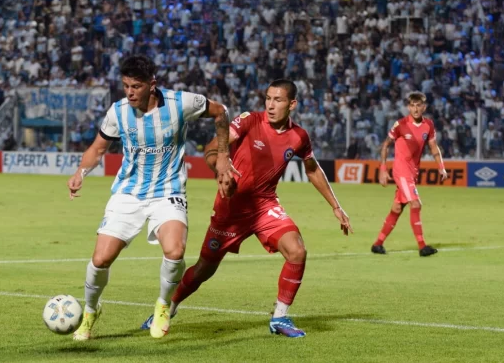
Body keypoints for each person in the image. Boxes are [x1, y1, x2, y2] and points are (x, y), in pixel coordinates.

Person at [139, 79, 353, 338]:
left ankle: (279, 317)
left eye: (278, 100)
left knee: (297, 251)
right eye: (268, 98)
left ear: (292, 104)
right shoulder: (249, 120)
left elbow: (312, 169)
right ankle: (167, 308)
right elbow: (213, 149)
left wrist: (336, 206)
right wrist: (220, 168)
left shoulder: (299, 137)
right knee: (205, 268)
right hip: (231, 209)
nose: (270, 105)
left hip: (264, 207)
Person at [66, 55, 236, 341]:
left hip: (168, 191)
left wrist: (223, 155)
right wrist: (80, 172)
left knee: (175, 252)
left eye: (136, 86)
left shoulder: (181, 103)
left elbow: (221, 112)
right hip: (128, 193)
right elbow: (98, 148)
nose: (130, 93)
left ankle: (163, 306)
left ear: (152, 84)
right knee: (100, 260)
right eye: (125, 86)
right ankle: (90, 312)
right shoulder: (118, 112)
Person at [372, 91, 446, 257]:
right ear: (408, 107)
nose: (415, 109)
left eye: (419, 105)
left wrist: (441, 166)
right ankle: (422, 246)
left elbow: (434, 147)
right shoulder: (400, 124)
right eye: (412, 105)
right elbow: (386, 145)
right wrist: (383, 169)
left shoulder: (428, 125)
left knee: (397, 208)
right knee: (416, 204)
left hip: (413, 172)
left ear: (424, 107)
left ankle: (378, 244)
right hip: (401, 171)